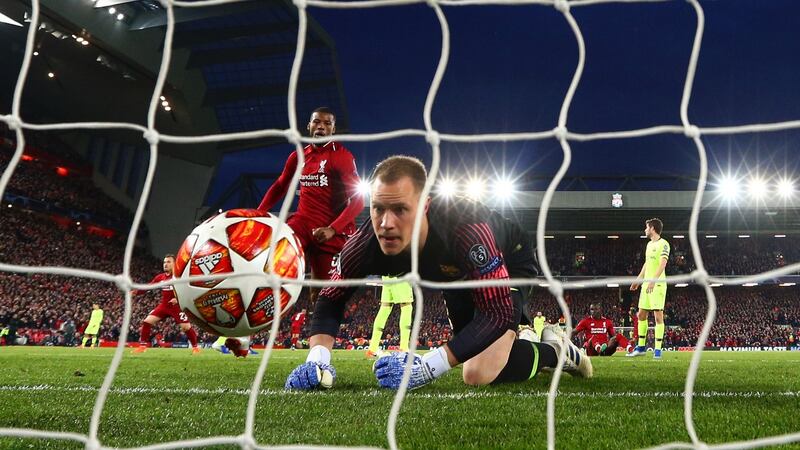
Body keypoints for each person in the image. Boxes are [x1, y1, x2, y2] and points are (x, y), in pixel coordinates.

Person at [284, 156, 592, 390]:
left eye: (400, 210)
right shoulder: (364, 244)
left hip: (509, 260)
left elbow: (495, 312)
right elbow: (331, 299)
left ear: (424, 205)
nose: (386, 223)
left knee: (478, 373)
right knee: (478, 357)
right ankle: (527, 341)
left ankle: (557, 350)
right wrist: (318, 359)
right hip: (455, 276)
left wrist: (426, 366)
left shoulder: (465, 229)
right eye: (378, 208)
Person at [257, 107, 364, 302]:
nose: (321, 126)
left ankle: (318, 329)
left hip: (329, 232)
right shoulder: (298, 156)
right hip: (302, 224)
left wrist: (333, 229)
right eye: (317, 122)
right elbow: (281, 185)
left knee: (321, 295)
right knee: (272, 264)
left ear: (333, 129)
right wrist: (258, 213)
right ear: (309, 125)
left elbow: (358, 201)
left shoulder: (342, 156)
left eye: (327, 123)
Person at [133, 254, 200, 354]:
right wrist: (135, 292)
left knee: (185, 327)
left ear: (174, 264)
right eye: (164, 262)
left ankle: (195, 347)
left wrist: (178, 299)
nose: (165, 264)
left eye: (168, 262)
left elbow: (189, 290)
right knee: (147, 321)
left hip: (177, 307)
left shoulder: (180, 277)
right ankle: (142, 346)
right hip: (164, 306)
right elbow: (148, 287)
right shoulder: (160, 278)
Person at [628, 218, 670, 359]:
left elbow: (662, 264)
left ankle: (658, 350)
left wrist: (653, 280)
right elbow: (647, 265)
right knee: (641, 314)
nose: (645, 230)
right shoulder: (649, 245)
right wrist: (638, 281)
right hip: (646, 284)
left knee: (658, 316)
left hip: (657, 284)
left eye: (646, 227)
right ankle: (641, 347)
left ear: (652, 228)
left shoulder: (664, 244)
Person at [366, 276, 413, 357]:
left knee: (385, 308)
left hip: (387, 277)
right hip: (400, 274)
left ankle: (373, 348)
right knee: (406, 307)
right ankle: (404, 348)